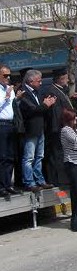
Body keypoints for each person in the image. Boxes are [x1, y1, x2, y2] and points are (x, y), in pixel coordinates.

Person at [19, 69, 56, 192]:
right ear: (30, 81)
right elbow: (32, 109)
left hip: (40, 128)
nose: (41, 83)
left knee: (39, 156)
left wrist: (47, 104)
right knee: (29, 157)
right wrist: (45, 105)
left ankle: (40, 180)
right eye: (38, 81)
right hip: (30, 130)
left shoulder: (37, 93)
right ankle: (29, 181)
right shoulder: (23, 93)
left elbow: (41, 109)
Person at [43, 67, 77, 187]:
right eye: (66, 78)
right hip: (57, 129)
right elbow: (56, 113)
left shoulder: (61, 91)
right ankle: (56, 179)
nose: (68, 80)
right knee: (56, 155)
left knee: (61, 154)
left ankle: (62, 178)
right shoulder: (52, 91)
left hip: (63, 128)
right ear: (61, 78)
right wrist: (58, 129)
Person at [0, 64, 19, 197]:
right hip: (1, 124)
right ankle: (1, 186)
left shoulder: (10, 89)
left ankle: (8, 184)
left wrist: (16, 97)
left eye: (9, 75)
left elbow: (12, 106)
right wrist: (6, 96)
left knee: (10, 156)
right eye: (5, 75)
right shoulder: (4, 91)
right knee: (2, 156)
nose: (8, 78)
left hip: (11, 124)